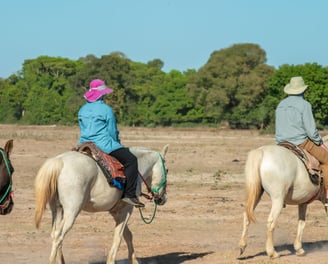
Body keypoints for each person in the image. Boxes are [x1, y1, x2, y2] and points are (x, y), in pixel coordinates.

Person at [78, 78, 145, 208]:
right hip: (104, 144)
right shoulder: (106, 109)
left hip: (83, 143)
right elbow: (112, 131)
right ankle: (130, 195)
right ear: (102, 94)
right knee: (131, 160)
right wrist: (117, 142)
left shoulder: (82, 109)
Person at [275, 76, 328, 206]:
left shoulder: (281, 104)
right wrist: (318, 141)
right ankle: (327, 193)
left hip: (281, 143)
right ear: (303, 90)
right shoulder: (305, 105)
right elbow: (310, 130)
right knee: (327, 159)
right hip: (300, 142)